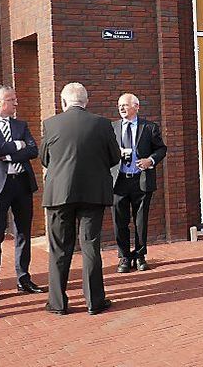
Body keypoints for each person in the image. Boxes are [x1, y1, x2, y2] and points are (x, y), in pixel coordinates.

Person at [42, 83, 119, 315]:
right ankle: (94, 301)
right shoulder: (102, 124)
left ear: (63, 102)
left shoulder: (51, 124)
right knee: (90, 246)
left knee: (59, 248)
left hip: (59, 194)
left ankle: (57, 303)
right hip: (93, 193)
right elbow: (114, 157)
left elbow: (45, 158)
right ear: (86, 102)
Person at [0, 85, 45, 305]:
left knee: (23, 233)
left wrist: (5, 153)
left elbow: (33, 150)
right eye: (11, 100)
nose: (16, 103)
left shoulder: (20, 124)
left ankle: (23, 278)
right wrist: (16, 146)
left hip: (21, 185)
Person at [112, 93, 167, 272]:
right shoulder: (112, 128)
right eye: (120, 105)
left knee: (140, 221)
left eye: (125, 105)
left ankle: (140, 255)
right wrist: (116, 154)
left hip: (141, 180)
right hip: (119, 181)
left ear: (136, 106)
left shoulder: (149, 127)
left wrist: (150, 161)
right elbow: (105, 152)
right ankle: (124, 257)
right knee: (120, 221)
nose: (121, 108)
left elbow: (161, 148)